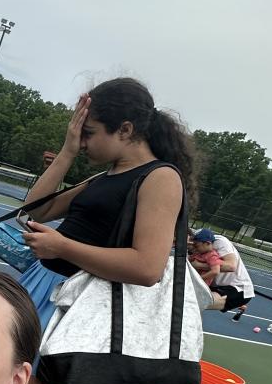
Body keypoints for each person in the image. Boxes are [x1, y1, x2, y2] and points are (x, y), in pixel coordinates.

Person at [15, 79, 195, 331]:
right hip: (45, 284)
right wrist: (67, 151)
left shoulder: (161, 178)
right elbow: (36, 209)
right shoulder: (106, 175)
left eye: (88, 133)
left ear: (125, 130)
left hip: (79, 304)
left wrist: (62, 247)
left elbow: (147, 267)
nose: (82, 142)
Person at [193, 228, 255, 319]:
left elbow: (231, 266)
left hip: (237, 288)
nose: (194, 247)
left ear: (207, 243)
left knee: (192, 301)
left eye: (196, 245)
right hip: (214, 285)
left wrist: (199, 266)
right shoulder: (196, 246)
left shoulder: (218, 244)